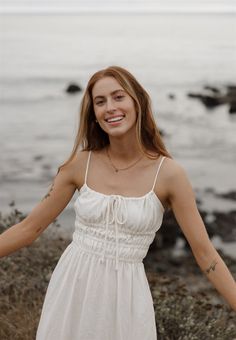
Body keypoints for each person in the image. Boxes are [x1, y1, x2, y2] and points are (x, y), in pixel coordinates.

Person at [0, 65, 235, 339]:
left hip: (127, 301)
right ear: (94, 115)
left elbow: (205, 253)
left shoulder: (169, 174)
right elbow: (30, 228)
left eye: (118, 96)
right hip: (72, 290)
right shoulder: (79, 165)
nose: (110, 107)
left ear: (137, 102)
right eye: (100, 102)